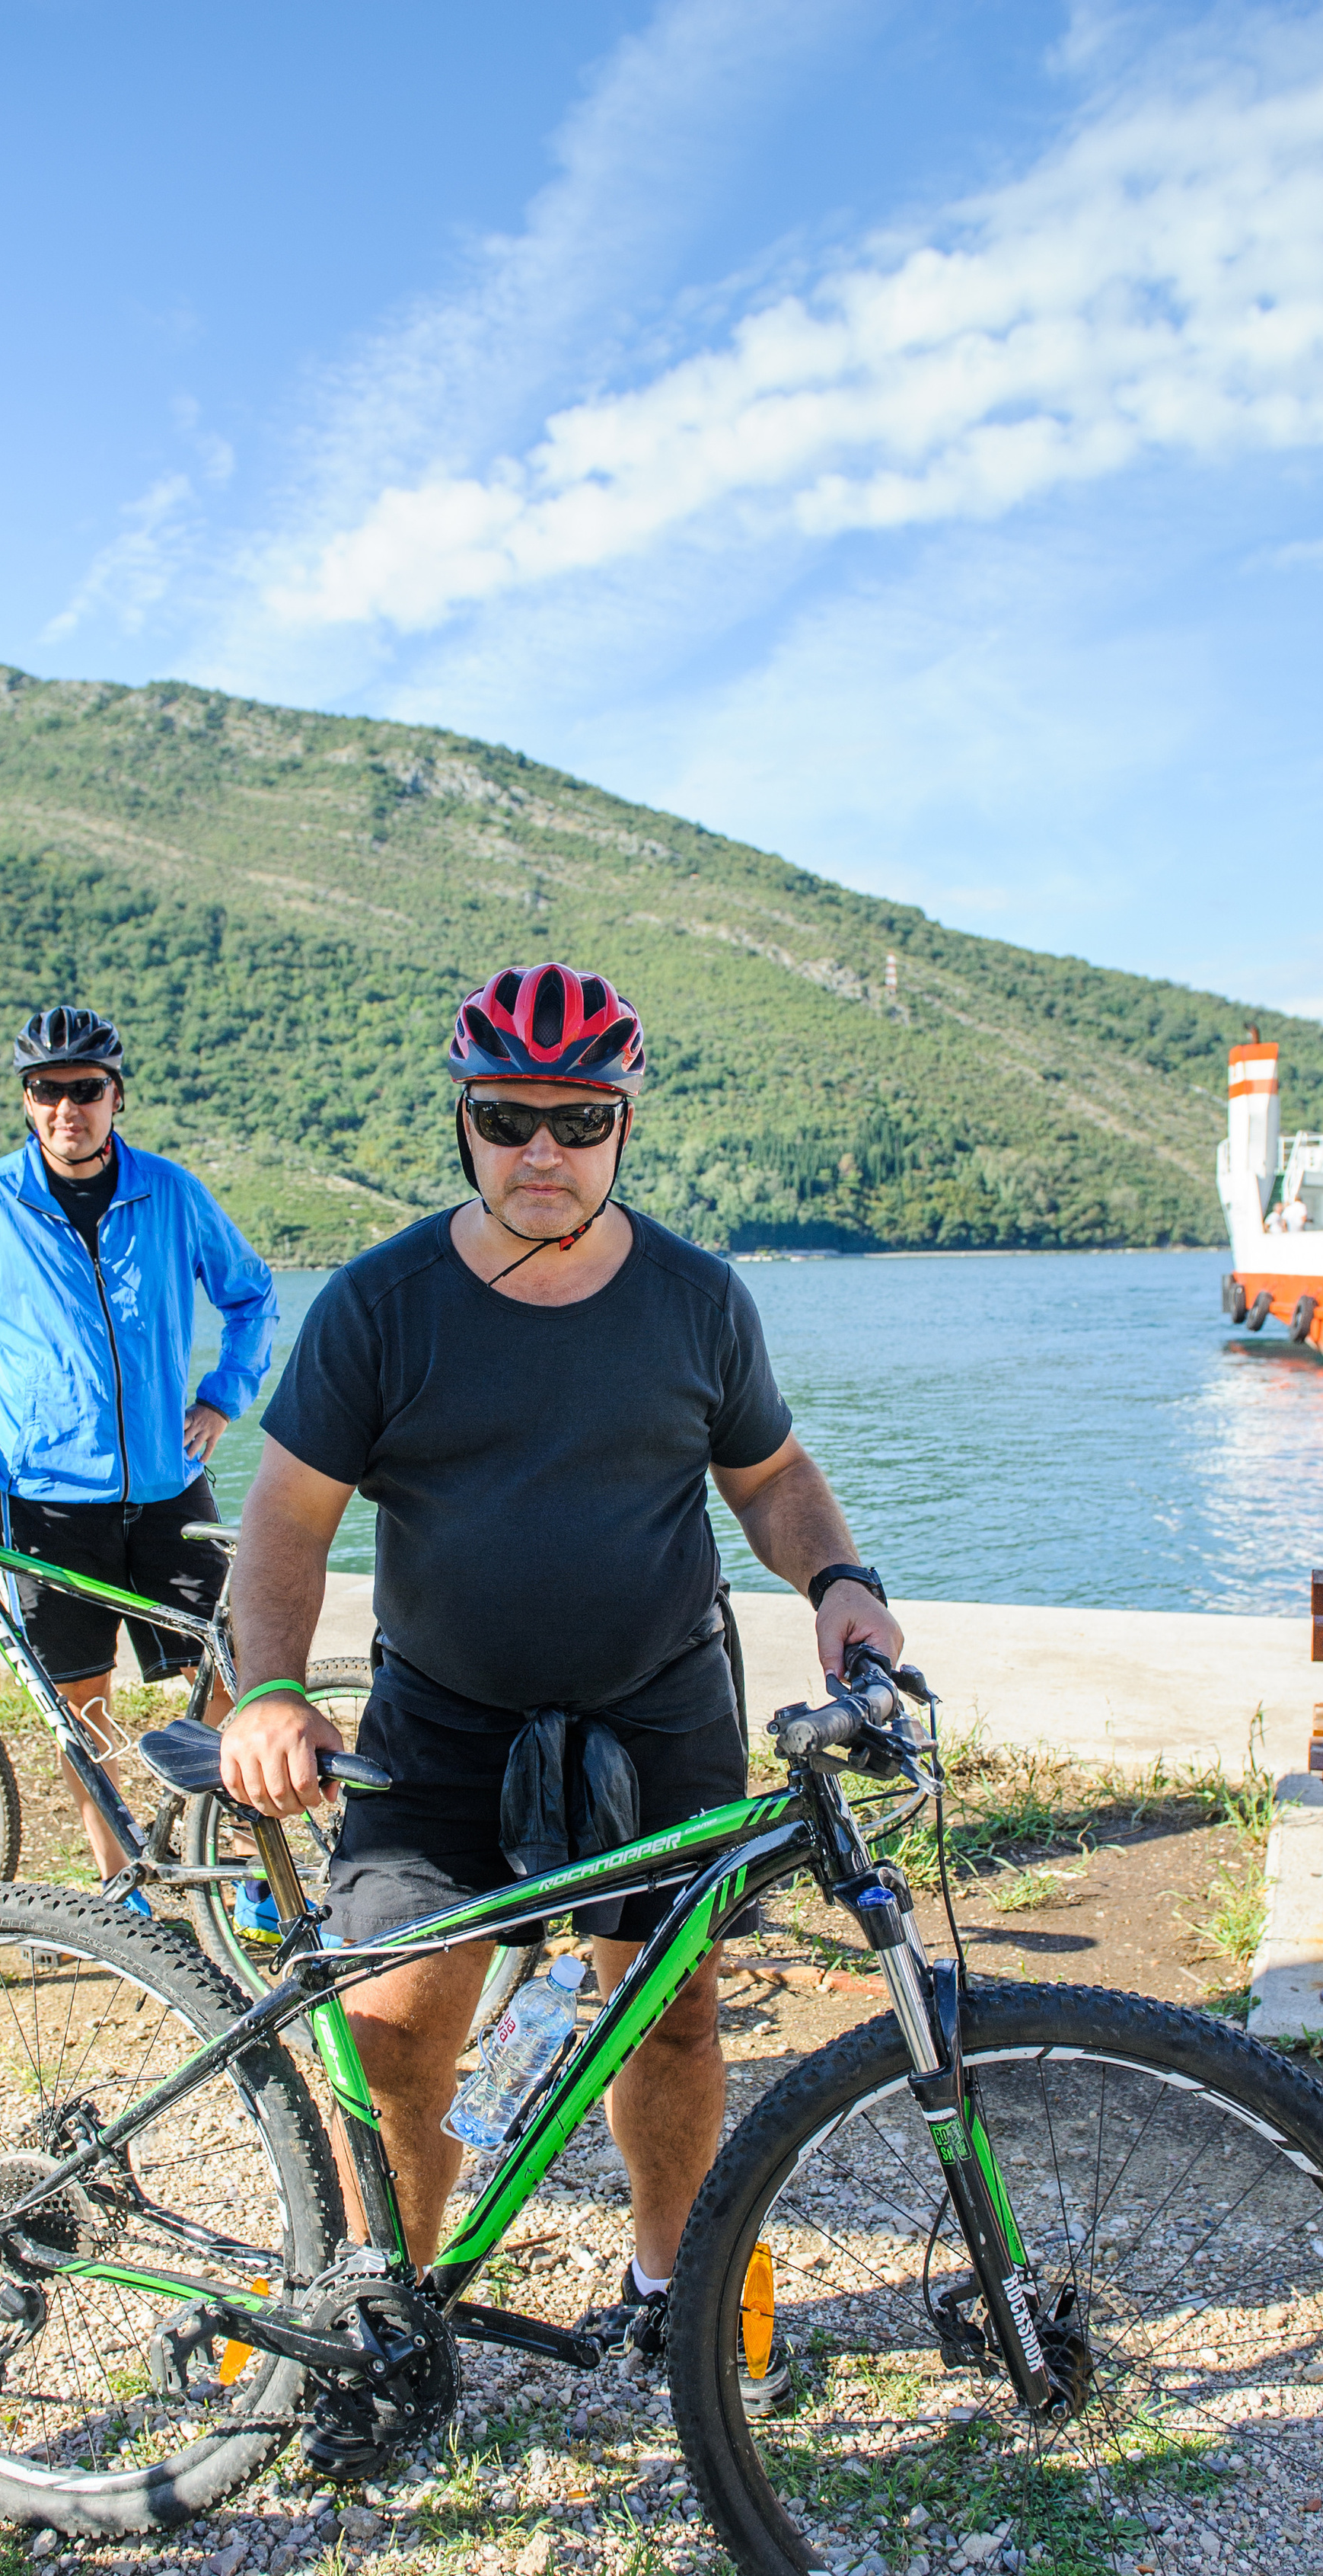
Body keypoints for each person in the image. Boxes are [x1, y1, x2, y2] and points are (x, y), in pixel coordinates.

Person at [218, 961, 901, 2472]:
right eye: (507, 1116)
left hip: (655, 1708)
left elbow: (770, 1480)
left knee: (667, 2012)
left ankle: (673, 2289)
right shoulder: (380, 1308)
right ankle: (386, 2315)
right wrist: (267, 1688)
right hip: (439, 1724)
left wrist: (837, 1579)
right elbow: (282, 1530)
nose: (543, 1151)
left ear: (622, 1125)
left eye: (577, 1120)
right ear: (461, 1123)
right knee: (394, 2031)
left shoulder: (694, 1301)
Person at [0, 1004, 276, 1875]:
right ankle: (121, 1883)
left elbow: (252, 1295)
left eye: (85, 1089)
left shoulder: (172, 1192)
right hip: (44, 1497)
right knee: (84, 1703)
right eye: (47, 1091)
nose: (66, 1108)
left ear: (117, 1097)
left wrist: (223, 1397)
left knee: (234, 1670)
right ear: (27, 1102)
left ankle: (236, 1859)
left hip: (166, 1484)